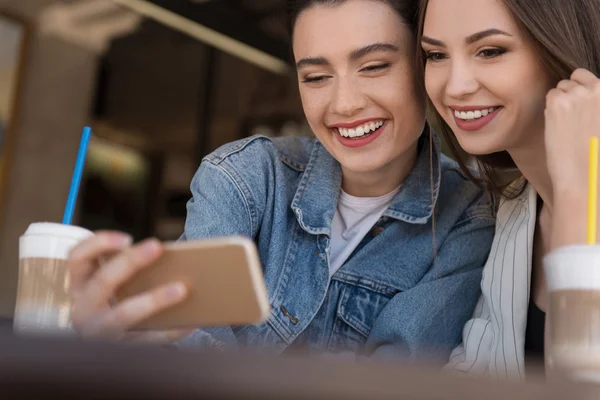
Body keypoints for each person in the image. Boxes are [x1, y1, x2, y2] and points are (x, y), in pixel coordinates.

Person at [66, 0, 495, 362]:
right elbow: (185, 342)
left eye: (375, 66)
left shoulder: (468, 215)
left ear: (426, 65)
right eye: (316, 77)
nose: (344, 104)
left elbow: (388, 382)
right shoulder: (244, 177)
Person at [418, 0, 600, 379]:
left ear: (558, 46)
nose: (455, 85)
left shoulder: (570, 199)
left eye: (490, 51)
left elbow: (580, 380)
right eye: (436, 54)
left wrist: (577, 197)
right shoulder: (516, 211)